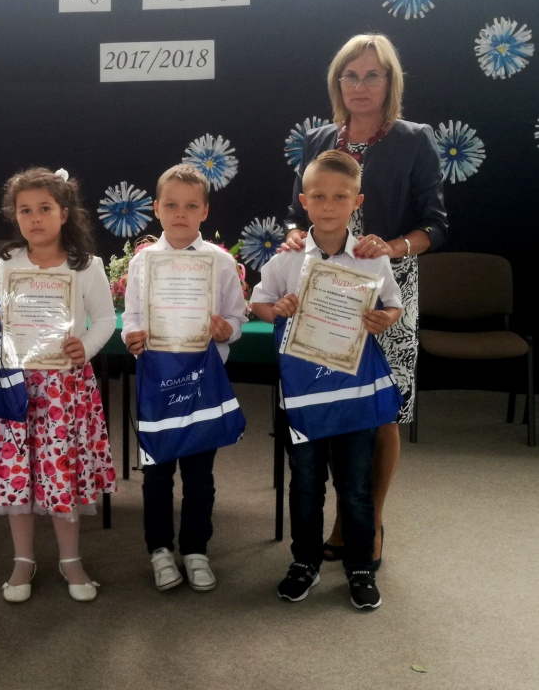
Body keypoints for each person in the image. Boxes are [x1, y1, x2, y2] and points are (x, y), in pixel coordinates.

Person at [282, 33, 447, 569]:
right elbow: (296, 212)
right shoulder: (317, 138)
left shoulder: (415, 139)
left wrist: (392, 247)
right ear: (338, 83)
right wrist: (293, 235)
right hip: (325, 294)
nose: (360, 85)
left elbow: (435, 226)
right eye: (350, 75)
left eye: (372, 75)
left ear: (389, 81)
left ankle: (367, 522)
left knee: (381, 412)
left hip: (386, 292)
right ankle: (343, 516)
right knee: (332, 403)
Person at [253, 150, 403, 609]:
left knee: (355, 485)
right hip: (304, 396)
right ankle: (305, 562)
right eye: (318, 196)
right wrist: (277, 309)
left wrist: (384, 319)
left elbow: (393, 305)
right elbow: (259, 303)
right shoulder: (287, 258)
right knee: (305, 483)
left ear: (357, 201)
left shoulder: (371, 258)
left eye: (341, 197)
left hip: (353, 395)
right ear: (304, 201)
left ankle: (359, 566)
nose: (329, 205)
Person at [0, 167, 117, 603]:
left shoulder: (86, 266)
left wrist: (85, 347)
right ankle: (23, 559)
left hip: (64, 390)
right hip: (16, 388)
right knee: (16, 473)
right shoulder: (6, 265)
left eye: (44, 208)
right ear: (14, 216)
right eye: (25, 210)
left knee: (62, 473)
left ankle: (70, 558)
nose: (35, 218)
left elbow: (106, 320)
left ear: (64, 213)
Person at [120, 164, 247, 593]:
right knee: (156, 474)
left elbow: (237, 317)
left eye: (191, 206)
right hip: (157, 381)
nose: (180, 213)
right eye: (171, 205)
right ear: (156, 209)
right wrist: (131, 337)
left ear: (205, 211)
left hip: (201, 383)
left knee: (199, 476)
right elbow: (132, 316)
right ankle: (159, 550)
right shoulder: (143, 261)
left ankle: (195, 550)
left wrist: (226, 330)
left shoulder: (220, 261)